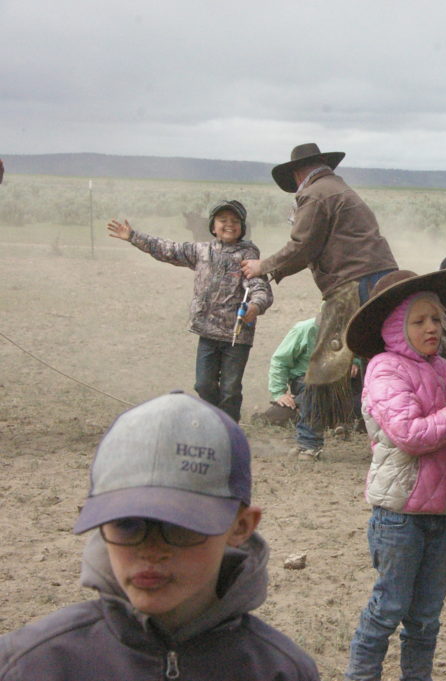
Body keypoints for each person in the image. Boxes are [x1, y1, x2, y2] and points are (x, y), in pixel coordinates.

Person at [0, 392, 320, 680]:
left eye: (181, 525)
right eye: (126, 524)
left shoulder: (281, 671)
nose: (151, 551)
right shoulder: (31, 665)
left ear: (241, 527)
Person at [341, 268, 446, 681]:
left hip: (441, 515)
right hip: (399, 517)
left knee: (427, 617)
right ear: (396, 327)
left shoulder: (445, 371)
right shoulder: (384, 370)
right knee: (388, 609)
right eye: (419, 321)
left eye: (436, 319)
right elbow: (410, 435)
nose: (432, 327)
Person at [241, 143, 397, 431]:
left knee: (325, 361)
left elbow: (303, 246)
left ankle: (309, 437)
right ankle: (393, 430)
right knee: (384, 359)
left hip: (350, 282)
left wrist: (262, 267)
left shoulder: (313, 194)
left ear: (299, 173)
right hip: (385, 279)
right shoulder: (342, 189)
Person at [107, 200, 272, 422]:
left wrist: (255, 305)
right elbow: (167, 249)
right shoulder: (201, 251)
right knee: (203, 385)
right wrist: (133, 236)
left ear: (242, 228)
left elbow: (260, 288)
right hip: (207, 332)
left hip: (237, 335)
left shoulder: (249, 257)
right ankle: (213, 423)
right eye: (223, 220)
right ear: (213, 227)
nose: (229, 225)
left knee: (230, 390)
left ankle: (229, 430)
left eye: (235, 221)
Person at [266, 315, 325, 460]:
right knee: (313, 391)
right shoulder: (304, 329)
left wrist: (355, 361)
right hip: (306, 379)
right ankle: (309, 443)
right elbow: (280, 360)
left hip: (338, 379)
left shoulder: (347, 329)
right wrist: (279, 392)